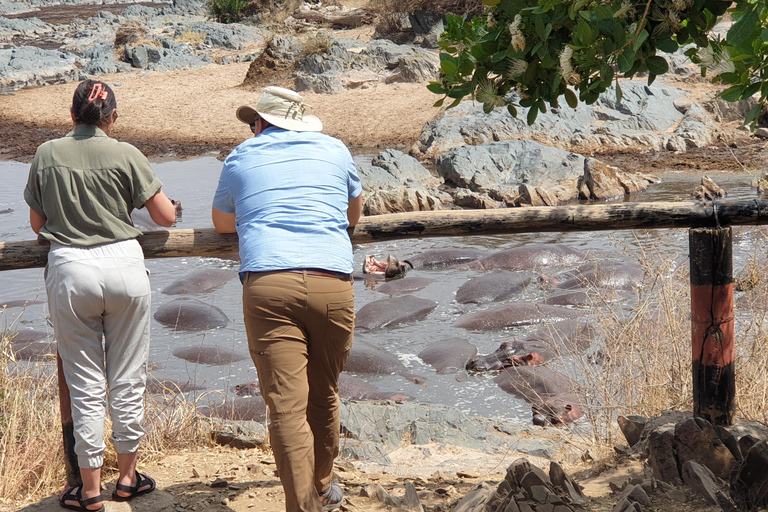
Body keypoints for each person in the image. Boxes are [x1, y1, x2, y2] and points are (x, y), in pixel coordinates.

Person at [24, 79, 176, 511]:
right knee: (127, 379)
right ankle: (127, 479)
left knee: (85, 384)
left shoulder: (47, 153)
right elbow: (164, 217)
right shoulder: (127, 153)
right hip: (125, 266)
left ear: (71, 115)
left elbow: (38, 224)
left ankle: (89, 491)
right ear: (112, 118)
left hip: (71, 268)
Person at [212, 86, 362, 512]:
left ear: (261, 124)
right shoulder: (335, 150)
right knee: (325, 392)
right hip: (332, 280)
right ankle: (323, 481)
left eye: (252, 123)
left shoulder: (242, 156)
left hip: (269, 284)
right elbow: (353, 216)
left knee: (285, 408)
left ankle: (302, 506)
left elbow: (223, 224)